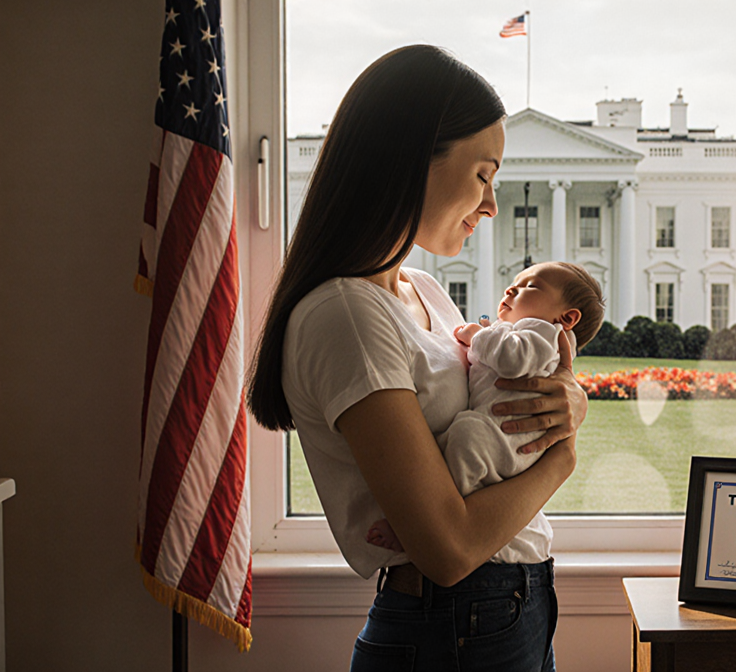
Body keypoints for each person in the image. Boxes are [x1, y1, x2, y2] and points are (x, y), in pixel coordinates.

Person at [247, 45, 587, 672]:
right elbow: (449, 547)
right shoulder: (346, 315)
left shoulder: (423, 290)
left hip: (511, 605)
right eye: (483, 174)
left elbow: (498, 395)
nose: (491, 204)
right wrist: (561, 458)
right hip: (457, 620)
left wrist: (567, 397)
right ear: (411, 160)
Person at [366, 262, 605, 563]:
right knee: (458, 440)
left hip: (508, 434)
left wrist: (478, 335)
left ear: (567, 317)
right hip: (505, 431)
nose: (511, 289)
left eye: (530, 286)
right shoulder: (526, 332)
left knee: (467, 438)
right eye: (515, 282)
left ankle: (419, 526)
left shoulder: (543, 331)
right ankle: (425, 521)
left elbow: (512, 359)